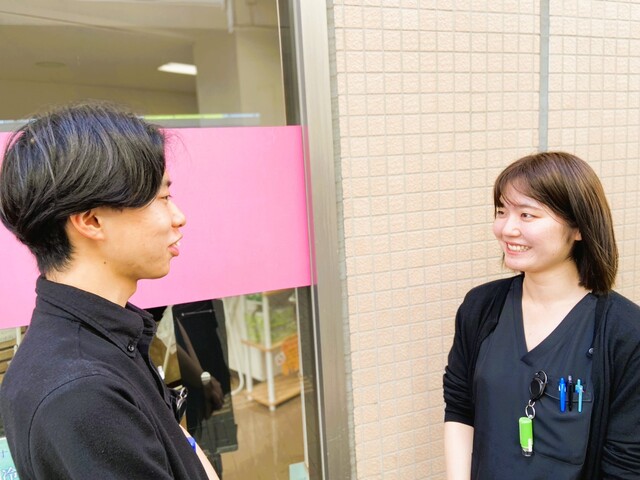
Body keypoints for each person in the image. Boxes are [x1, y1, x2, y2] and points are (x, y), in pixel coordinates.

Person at [0, 102, 219, 479]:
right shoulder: (82, 394)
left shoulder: (109, 338)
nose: (178, 217)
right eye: (162, 198)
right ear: (92, 221)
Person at [443, 151, 640, 479]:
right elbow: (460, 408)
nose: (507, 228)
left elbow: (626, 464)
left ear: (578, 227)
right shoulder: (481, 307)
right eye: (502, 211)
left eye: (527, 215)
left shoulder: (625, 332)